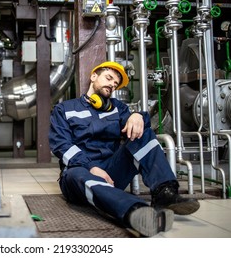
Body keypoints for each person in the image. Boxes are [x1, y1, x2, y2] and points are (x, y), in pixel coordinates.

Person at [48, 61, 200, 237]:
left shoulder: (117, 108)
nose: (112, 85)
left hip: (112, 174)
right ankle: (134, 212)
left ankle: (164, 193)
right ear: (93, 76)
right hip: (79, 173)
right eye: (109, 78)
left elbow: (137, 128)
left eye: (115, 84)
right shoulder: (65, 109)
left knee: (143, 134)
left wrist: (137, 116)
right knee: (77, 174)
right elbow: (61, 145)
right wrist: (91, 167)